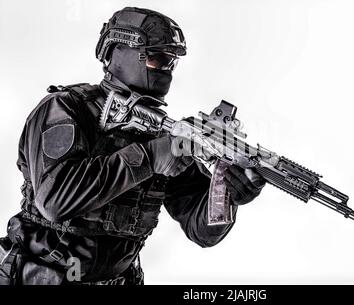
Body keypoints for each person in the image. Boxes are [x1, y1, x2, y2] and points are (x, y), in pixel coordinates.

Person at [0, 7, 265, 285]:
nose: (166, 69)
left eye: (172, 61)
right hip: (38, 277)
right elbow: (55, 201)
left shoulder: (162, 133)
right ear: (121, 52)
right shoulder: (66, 108)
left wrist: (226, 192)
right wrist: (150, 157)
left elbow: (200, 229)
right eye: (158, 58)